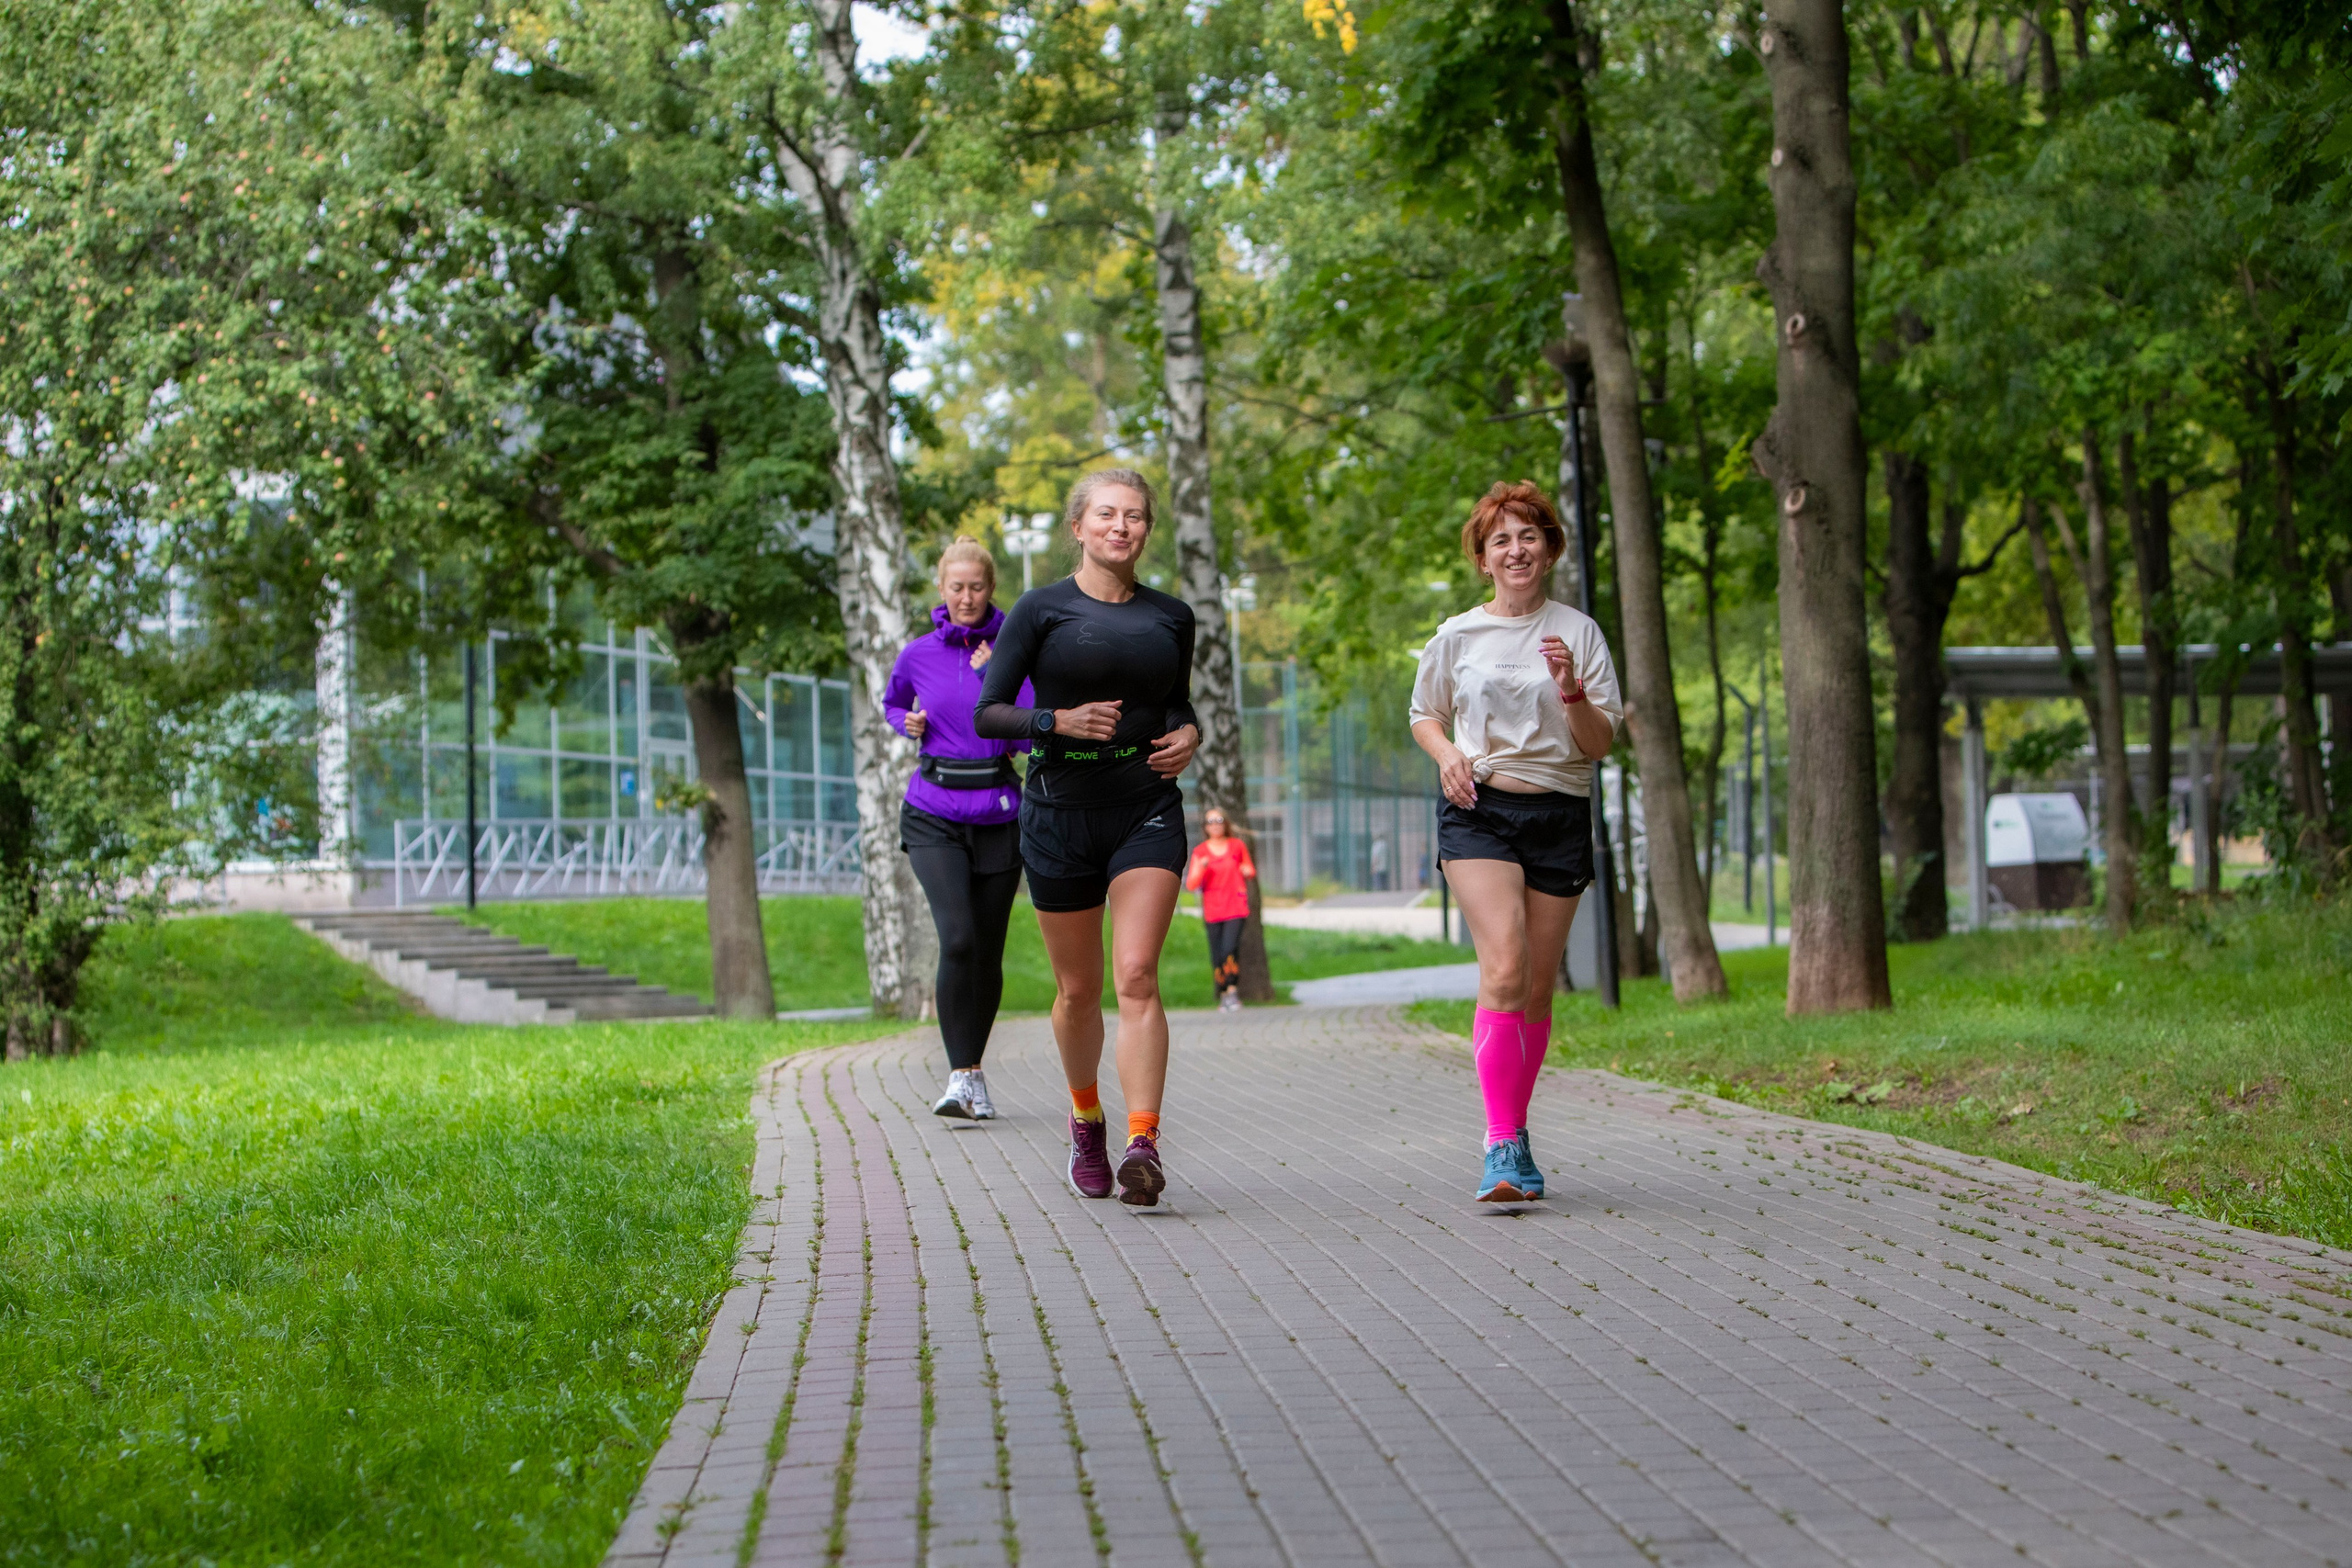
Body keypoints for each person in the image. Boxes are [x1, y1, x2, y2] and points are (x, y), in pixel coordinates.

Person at [975, 469, 1200, 1206]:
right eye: (1106, 514)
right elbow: (989, 712)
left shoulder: (1172, 616)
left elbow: (1175, 702)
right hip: (1059, 811)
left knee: (1136, 973)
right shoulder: (1040, 610)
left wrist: (1190, 732)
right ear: (1078, 526)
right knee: (1078, 991)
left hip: (1145, 805)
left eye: (1134, 516)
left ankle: (1143, 1143)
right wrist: (1055, 721)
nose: (1120, 526)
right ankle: (1086, 1118)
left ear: (1147, 529)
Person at [1408, 480, 1622, 1203]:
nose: (1516, 549)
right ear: (1483, 558)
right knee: (1503, 964)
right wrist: (1447, 754)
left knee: (1534, 985)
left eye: (1529, 535)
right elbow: (1425, 713)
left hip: (1559, 811)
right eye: (1500, 539)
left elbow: (1599, 744)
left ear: (1549, 548)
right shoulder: (1457, 635)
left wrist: (1569, 688)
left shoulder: (1579, 633)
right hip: (1479, 810)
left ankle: (1516, 1130)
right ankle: (1500, 1143)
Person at [885, 537, 1033, 1122]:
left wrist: (996, 671)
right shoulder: (917, 654)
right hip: (933, 812)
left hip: (999, 815)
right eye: (956, 587)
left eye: (976, 587)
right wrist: (906, 721)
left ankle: (973, 1074)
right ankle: (960, 1076)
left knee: (988, 950)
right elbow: (894, 702)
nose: (966, 597)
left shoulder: (1013, 650)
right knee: (959, 939)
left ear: (990, 589)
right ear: (942, 590)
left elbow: (1031, 731)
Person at [1183, 807, 1257, 1012]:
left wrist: (1246, 870)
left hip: (1235, 907)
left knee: (1229, 949)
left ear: (1226, 823)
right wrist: (1202, 867)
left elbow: (1250, 869)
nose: (1215, 825)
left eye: (1219, 820)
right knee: (1217, 955)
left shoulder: (1236, 846)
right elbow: (1191, 884)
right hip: (1213, 910)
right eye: (1211, 821)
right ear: (1205, 827)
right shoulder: (1201, 852)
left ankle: (1232, 991)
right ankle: (1223, 994)